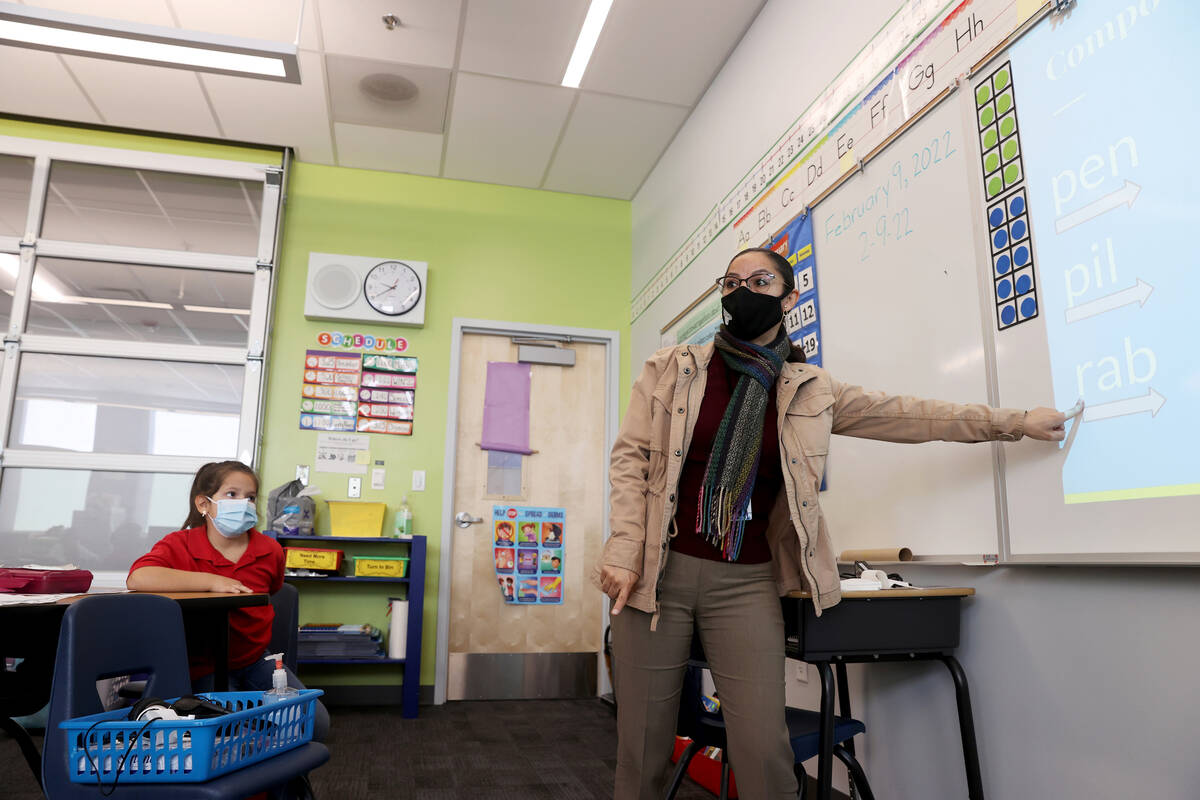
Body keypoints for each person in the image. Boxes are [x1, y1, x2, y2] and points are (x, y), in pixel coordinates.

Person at [593, 247, 1066, 799]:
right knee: (642, 749)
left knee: (764, 752)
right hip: (656, 572)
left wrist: (1015, 423)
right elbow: (632, 459)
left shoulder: (813, 389)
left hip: (745, 583)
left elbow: (914, 415)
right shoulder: (672, 368)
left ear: (789, 298)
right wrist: (624, 546)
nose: (743, 289)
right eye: (732, 281)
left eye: (761, 280)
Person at [127, 460, 329, 742]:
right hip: (205, 665)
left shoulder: (269, 549)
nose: (243, 503)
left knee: (315, 723)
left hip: (256, 659)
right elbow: (139, 578)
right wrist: (211, 582)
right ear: (203, 504)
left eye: (250, 497)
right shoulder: (179, 544)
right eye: (232, 494)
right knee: (228, 733)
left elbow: (272, 588)